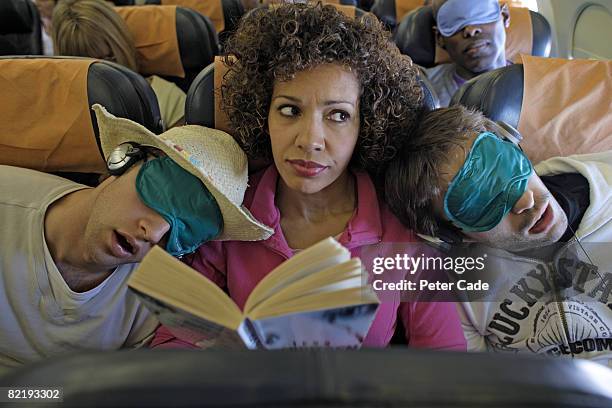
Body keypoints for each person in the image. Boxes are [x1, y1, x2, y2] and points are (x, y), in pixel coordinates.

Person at [152, 3, 466, 350]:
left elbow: (445, 359)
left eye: (338, 116)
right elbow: (172, 342)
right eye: (290, 110)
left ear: (367, 125)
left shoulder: (401, 226)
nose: (309, 141)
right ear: (262, 114)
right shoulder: (227, 214)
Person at [0, 104, 272, 370]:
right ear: (124, 160)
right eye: (160, 194)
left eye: (183, 234)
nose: (153, 234)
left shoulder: (152, 305)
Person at [385, 106, 612, 366]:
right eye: (481, 204)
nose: (526, 201)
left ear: (513, 143)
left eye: (508, 166)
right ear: (451, 236)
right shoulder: (458, 293)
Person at [51, 0, 186, 129]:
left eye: (110, 58)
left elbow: (185, 152)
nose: (102, 75)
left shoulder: (167, 99)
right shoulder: (64, 110)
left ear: (123, 46)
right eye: (89, 69)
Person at [425, 0, 510, 106]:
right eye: (454, 19)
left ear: (504, 16)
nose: (471, 30)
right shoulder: (422, 91)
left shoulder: (533, 85)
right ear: (440, 38)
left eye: (480, 11)